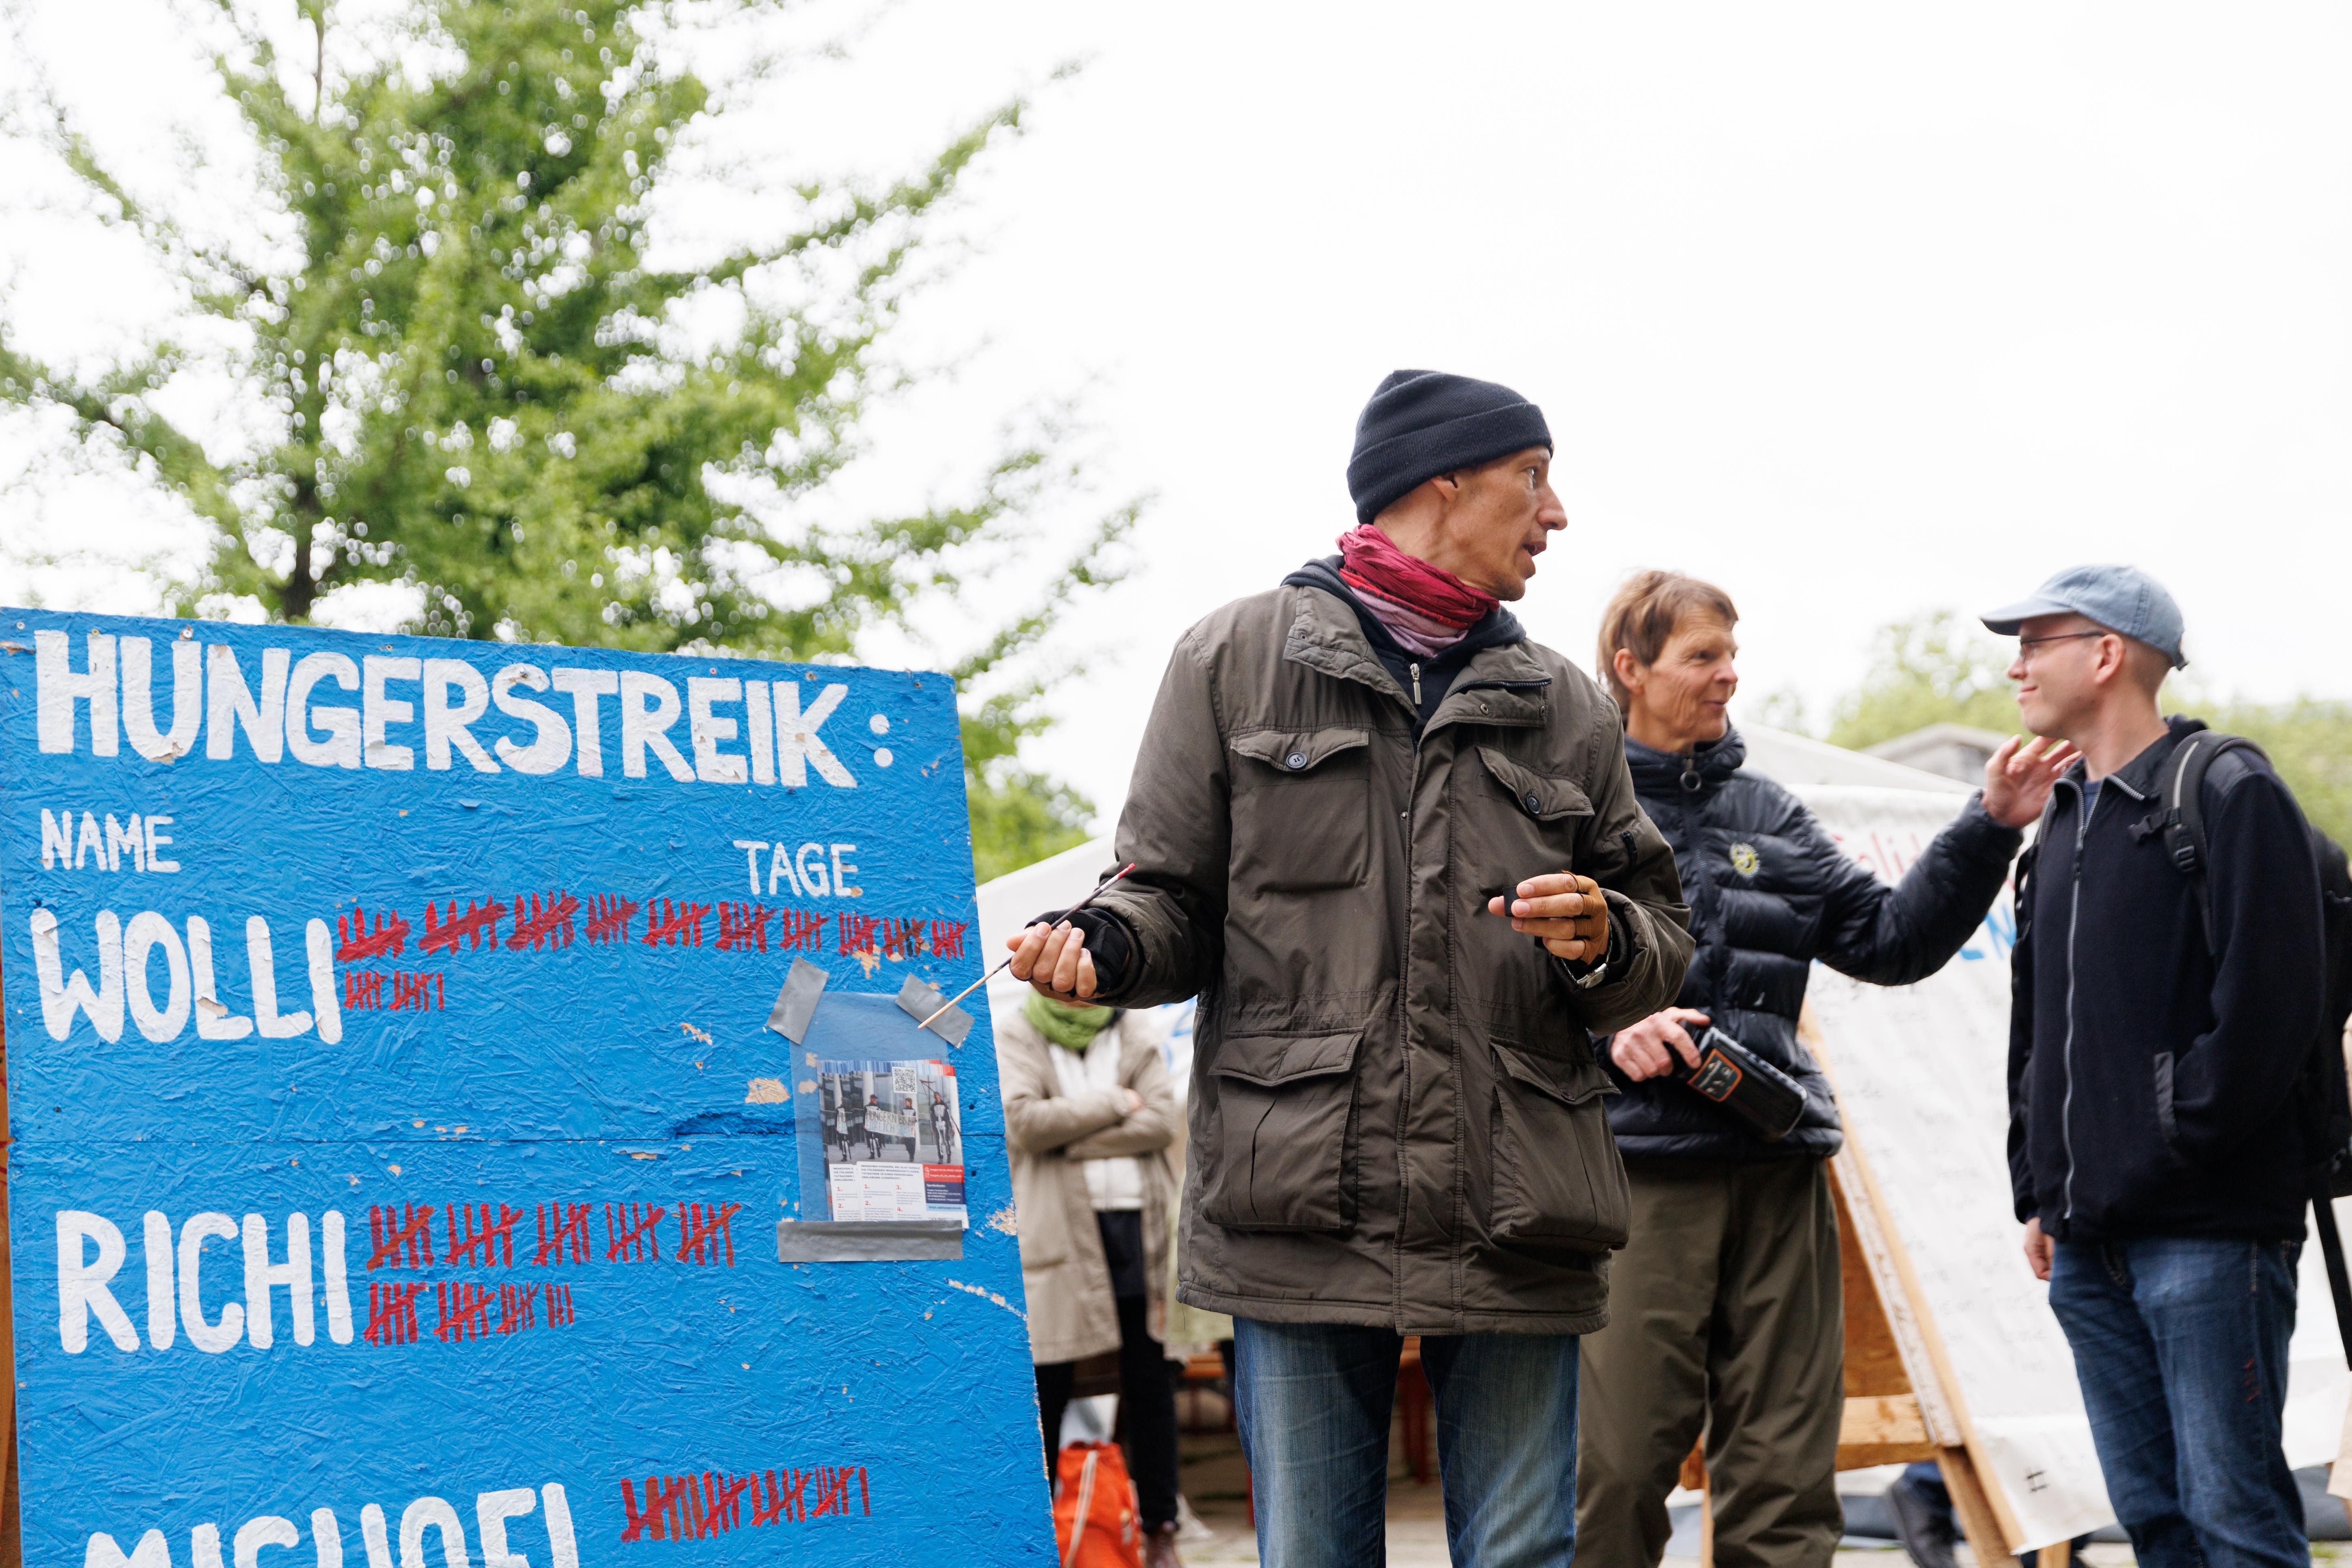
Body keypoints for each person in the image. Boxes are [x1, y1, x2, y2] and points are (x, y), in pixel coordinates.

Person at [1008, 370, 1697, 1568]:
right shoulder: (1231, 660)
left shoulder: (1569, 709)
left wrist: (1604, 940)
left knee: (1526, 1556)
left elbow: (1660, 934)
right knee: (1317, 1557)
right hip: (1300, 1208)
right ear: (1440, 483)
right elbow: (1167, 895)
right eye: (1532, 478)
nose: (1557, 513)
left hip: (1515, 1209)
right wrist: (1103, 947)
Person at [1573, 570, 2070, 1568]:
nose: (1727, 677)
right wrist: (1605, 1034)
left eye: (1731, 655)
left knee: (1784, 1476)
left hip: (1777, 1159)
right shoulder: (1570, 806)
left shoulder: (1770, 810)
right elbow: (1494, 978)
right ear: (1630, 668)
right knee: (1619, 1469)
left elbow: (1889, 941)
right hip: (1637, 1173)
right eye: (1701, 657)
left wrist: (1989, 825)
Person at [1991, 564, 2324, 1568]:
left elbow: (2273, 1013)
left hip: (2210, 1233)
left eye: (2035, 642)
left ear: (2106, 655)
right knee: (2157, 1523)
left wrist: (2169, 1140)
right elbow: (2037, 1029)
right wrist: (2042, 1188)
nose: (2016, 666)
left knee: (2236, 1521)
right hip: (2088, 1244)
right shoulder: (2055, 821)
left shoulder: (2228, 789)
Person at [999, 991, 1186, 1568]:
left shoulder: (1136, 1029)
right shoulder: (1016, 1033)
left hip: (1140, 1231)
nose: (1076, 987)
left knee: (1151, 1384)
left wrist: (1071, 1135)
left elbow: (1160, 1121)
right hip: (1060, 1235)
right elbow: (1025, 1124)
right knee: (1047, 1385)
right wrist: (1113, 1101)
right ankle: (1040, 1540)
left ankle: (1160, 1531)